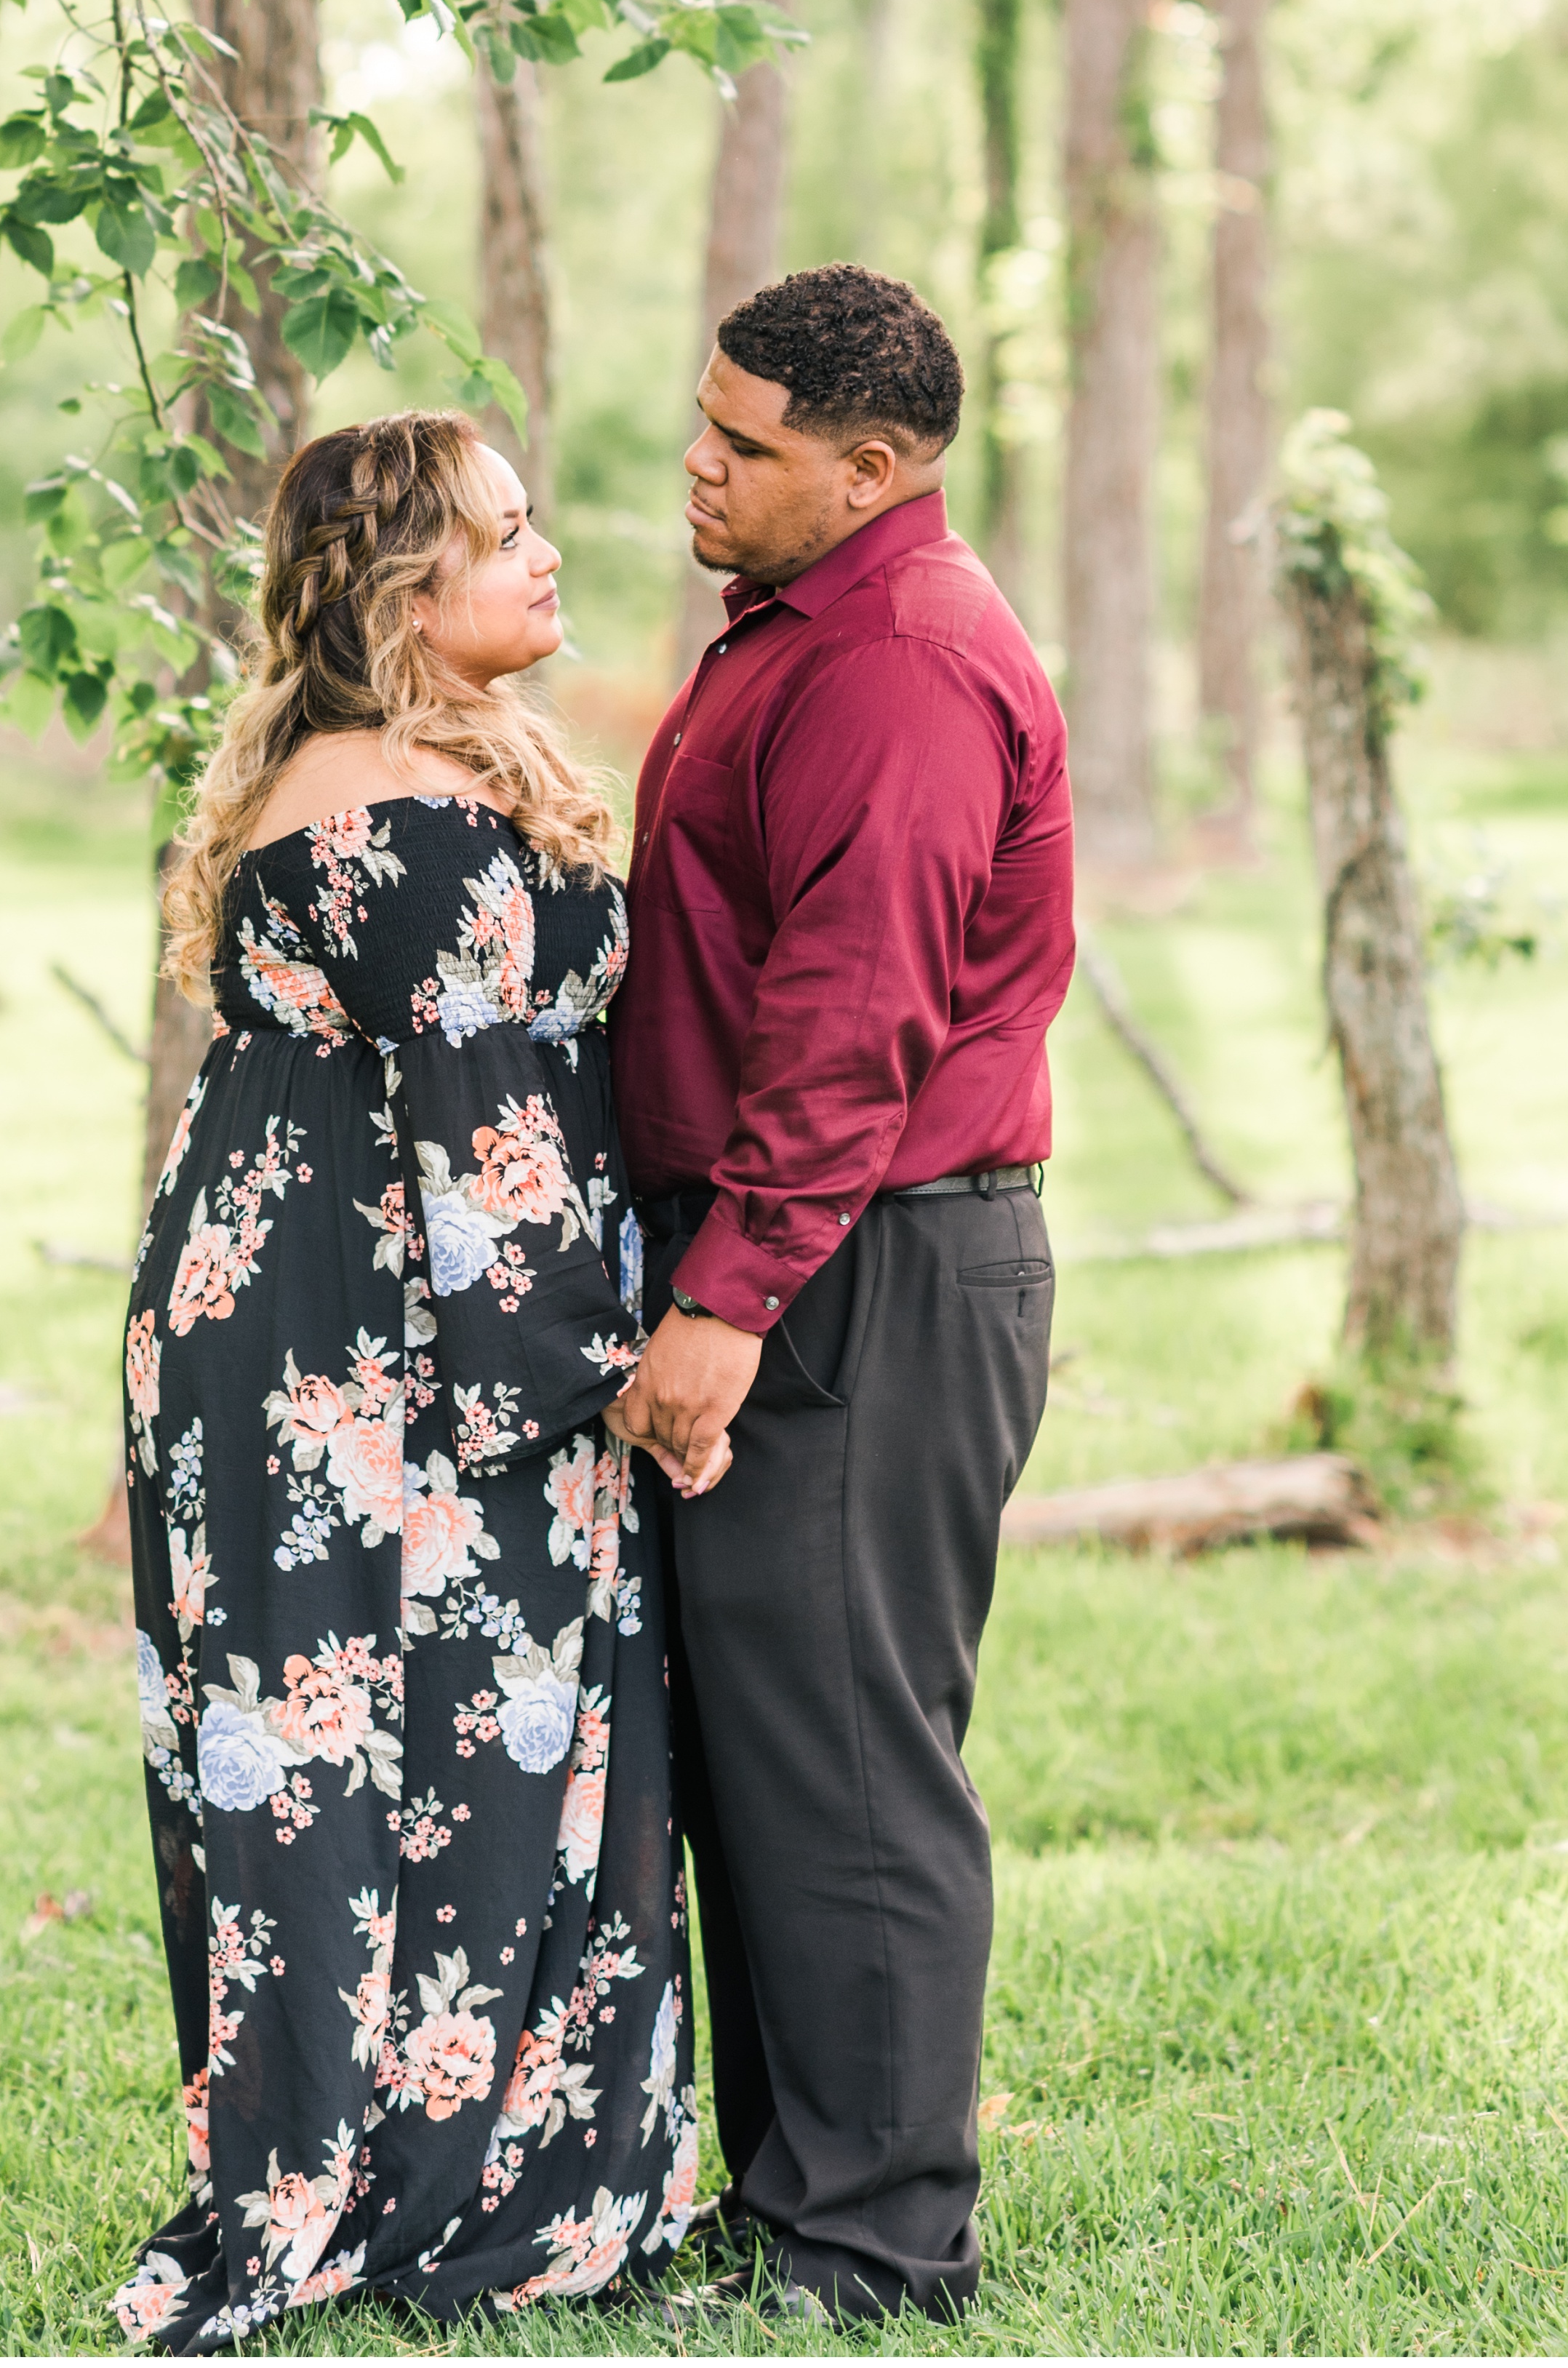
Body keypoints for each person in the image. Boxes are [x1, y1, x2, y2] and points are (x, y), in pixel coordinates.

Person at [111, 412, 701, 2353]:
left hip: (306, 1311)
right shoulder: (402, 822)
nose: (548, 554)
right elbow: (486, 1143)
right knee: (394, 1741)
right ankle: (417, 2175)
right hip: (370, 1345)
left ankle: (397, 2148)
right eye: (502, 532)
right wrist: (606, 1374)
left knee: (390, 1738)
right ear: (403, 589)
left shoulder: (393, 766)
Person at [607, 263, 1076, 2327]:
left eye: (746, 446)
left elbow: (852, 1017)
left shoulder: (891, 660)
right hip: (819, 1241)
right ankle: (793, 2193)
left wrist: (722, 1300)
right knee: (772, 1753)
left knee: (853, 1759)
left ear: (874, 469)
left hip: (861, 1253)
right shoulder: (795, 627)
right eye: (701, 420)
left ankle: (876, 2243)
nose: (694, 467)